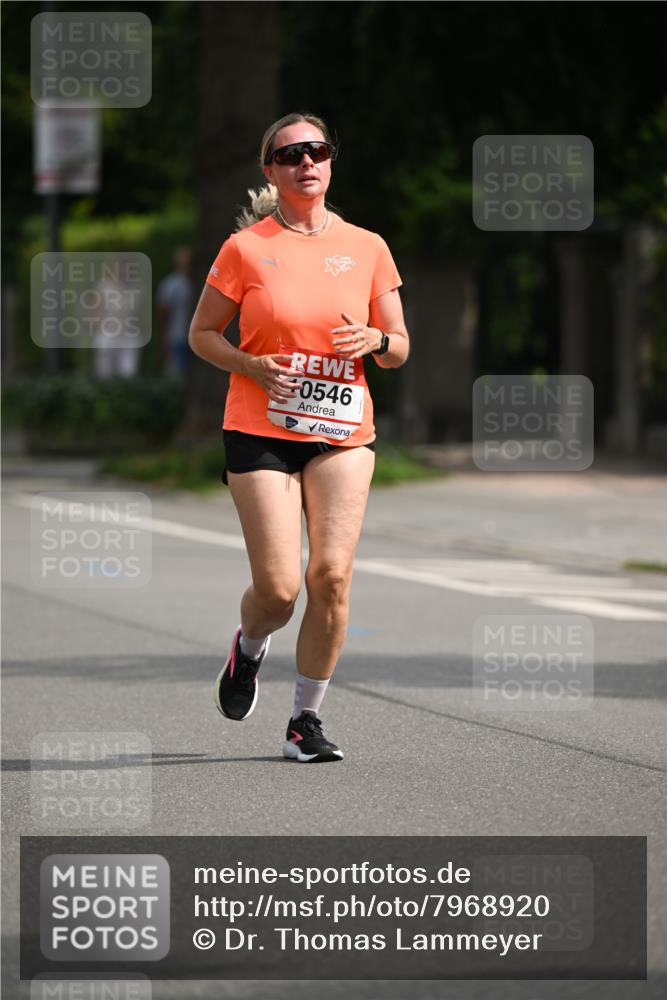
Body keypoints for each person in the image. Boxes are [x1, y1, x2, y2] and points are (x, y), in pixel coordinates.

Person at [188, 111, 410, 763]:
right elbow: (202, 334)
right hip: (260, 427)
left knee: (331, 576)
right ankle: (249, 647)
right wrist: (250, 364)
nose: (306, 162)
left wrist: (376, 339)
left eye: (317, 150)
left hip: (341, 429)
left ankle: (303, 722)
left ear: (331, 161)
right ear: (271, 170)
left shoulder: (367, 246)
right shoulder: (244, 248)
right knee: (280, 589)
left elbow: (399, 348)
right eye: (290, 155)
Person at [156, 246, 195, 376]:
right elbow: (164, 313)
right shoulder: (170, 285)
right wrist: (165, 337)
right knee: (176, 373)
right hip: (177, 336)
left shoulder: (196, 283)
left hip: (195, 337)